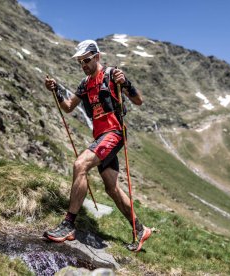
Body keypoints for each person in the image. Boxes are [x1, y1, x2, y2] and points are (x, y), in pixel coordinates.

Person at [43, 40, 151, 252]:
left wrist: (127, 83)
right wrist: (55, 91)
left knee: (80, 165)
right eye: (80, 62)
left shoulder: (112, 75)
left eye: (86, 60)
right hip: (101, 137)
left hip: (114, 133)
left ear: (97, 56)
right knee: (111, 188)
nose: (83, 64)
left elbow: (138, 101)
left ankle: (68, 225)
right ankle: (140, 229)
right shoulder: (84, 84)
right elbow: (67, 107)